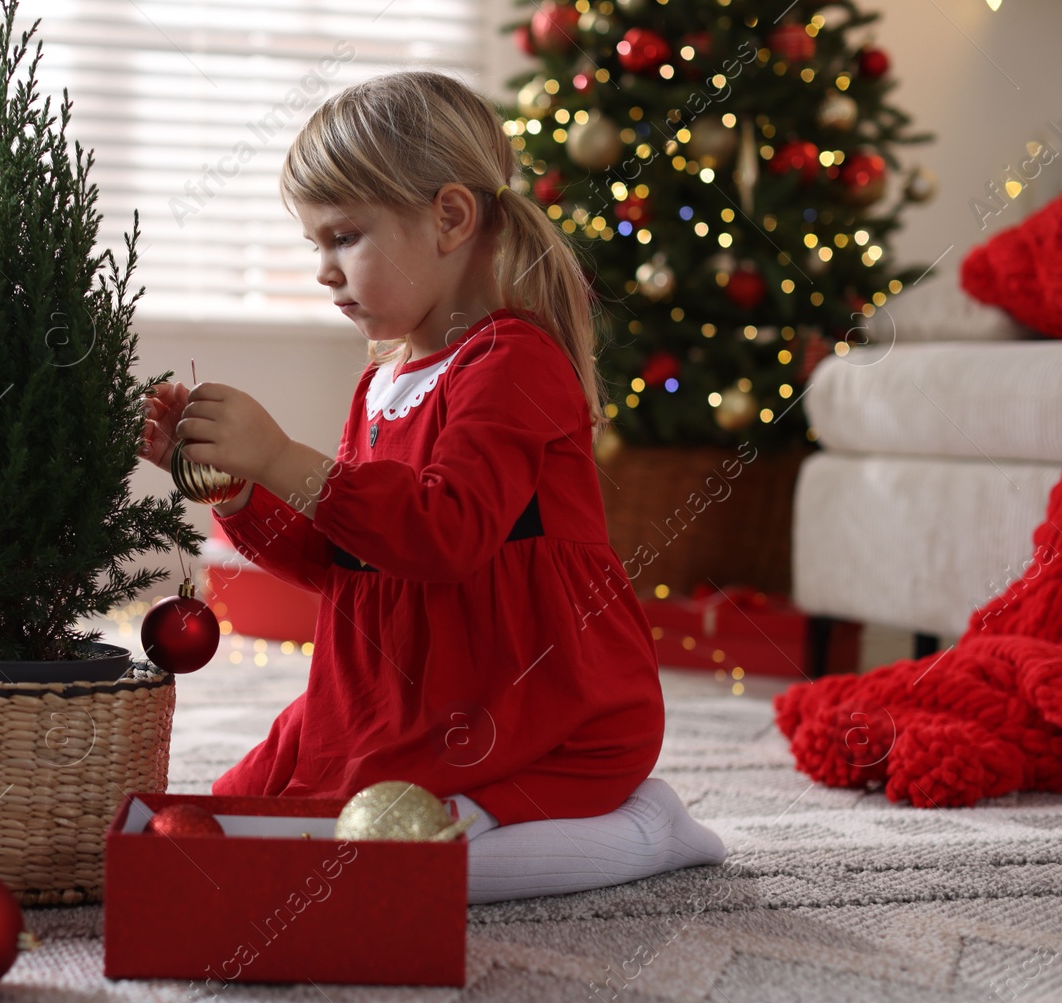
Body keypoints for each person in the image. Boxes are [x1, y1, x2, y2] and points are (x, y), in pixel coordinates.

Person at [138, 70, 725, 903]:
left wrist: (282, 455)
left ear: (449, 217)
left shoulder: (515, 361)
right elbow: (346, 559)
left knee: (380, 868)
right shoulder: (382, 383)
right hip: (388, 694)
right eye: (315, 246)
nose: (324, 271)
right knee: (226, 822)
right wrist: (234, 485)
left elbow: (445, 534)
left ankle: (641, 828)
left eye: (343, 237)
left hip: (520, 702)